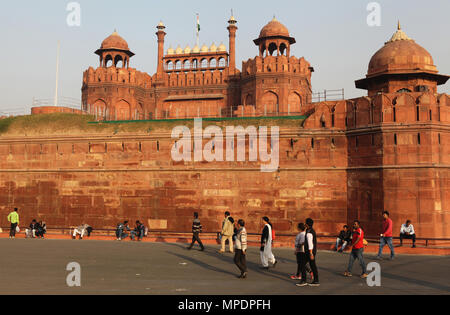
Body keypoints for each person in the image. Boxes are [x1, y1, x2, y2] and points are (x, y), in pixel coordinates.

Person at [297, 218, 319, 286]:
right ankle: (316, 280)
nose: (304, 224)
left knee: (302, 264)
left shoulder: (309, 232)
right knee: (312, 266)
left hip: (309, 252)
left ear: (307, 224)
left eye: (305, 223)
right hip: (311, 251)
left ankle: (304, 280)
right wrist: (303, 243)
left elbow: (310, 243)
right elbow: (309, 241)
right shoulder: (310, 230)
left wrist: (311, 253)